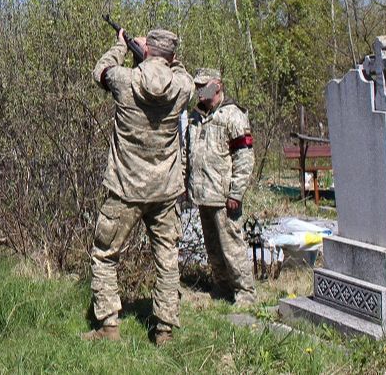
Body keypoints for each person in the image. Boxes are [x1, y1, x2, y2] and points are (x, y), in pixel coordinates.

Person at [83, 27, 195, 345]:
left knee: (105, 254)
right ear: (172, 55)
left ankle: (109, 326)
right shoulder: (182, 86)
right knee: (167, 259)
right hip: (166, 190)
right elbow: (179, 73)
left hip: (126, 188)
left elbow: (101, 70)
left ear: (147, 51)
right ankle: (164, 331)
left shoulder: (125, 80)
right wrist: (161, 58)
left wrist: (122, 46)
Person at [185, 68, 257, 307]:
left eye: (203, 86)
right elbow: (187, 153)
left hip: (224, 195)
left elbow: (244, 157)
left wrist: (236, 192)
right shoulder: (195, 117)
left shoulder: (233, 115)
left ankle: (245, 293)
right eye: (197, 86)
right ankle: (222, 286)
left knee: (232, 246)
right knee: (213, 247)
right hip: (202, 193)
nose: (199, 91)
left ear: (217, 86)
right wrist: (185, 185)